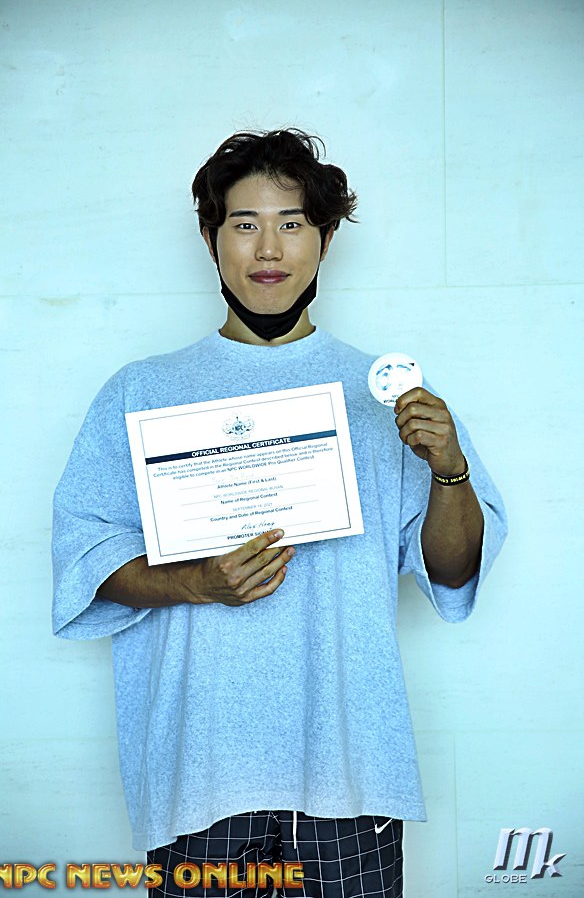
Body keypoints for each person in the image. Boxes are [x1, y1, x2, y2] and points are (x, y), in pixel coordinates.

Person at [52, 129, 507, 898]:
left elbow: (453, 570)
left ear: (325, 241)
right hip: (198, 775)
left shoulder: (385, 397)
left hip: (352, 776)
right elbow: (84, 556)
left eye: (292, 223)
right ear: (210, 238)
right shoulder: (140, 391)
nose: (269, 248)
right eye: (245, 224)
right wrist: (195, 582)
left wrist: (449, 470)